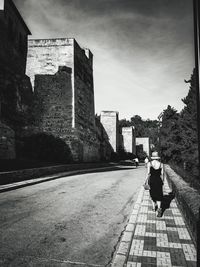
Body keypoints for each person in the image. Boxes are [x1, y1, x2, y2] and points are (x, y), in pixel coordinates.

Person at [145, 151, 164, 217]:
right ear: (158, 157)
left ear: (152, 157)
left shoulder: (149, 164)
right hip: (159, 180)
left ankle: (153, 208)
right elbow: (162, 175)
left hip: (152, 180)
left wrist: (146, 181)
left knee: (152, 194)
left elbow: (148, 174)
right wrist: (162, 182)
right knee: (159, 194)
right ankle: (159, 209)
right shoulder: (161, 164)